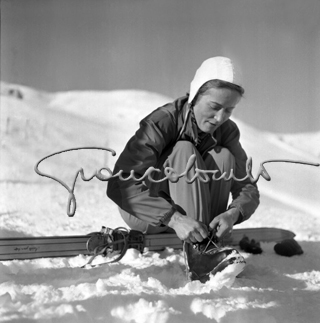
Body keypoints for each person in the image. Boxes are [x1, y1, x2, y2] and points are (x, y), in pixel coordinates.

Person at [107, 57, 260, 281]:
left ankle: (208, 243)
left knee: (223, 156)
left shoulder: (227, 131)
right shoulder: (163, 121)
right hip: (146, 215)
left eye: (229, 110)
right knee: (184, 149)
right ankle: (201, 256)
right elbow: (120, 184)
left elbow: (246, 184)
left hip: (187, 220)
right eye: (215, 107)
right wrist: (174, 219)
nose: (220, 118)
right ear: (196, 96)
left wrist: (233, 212)